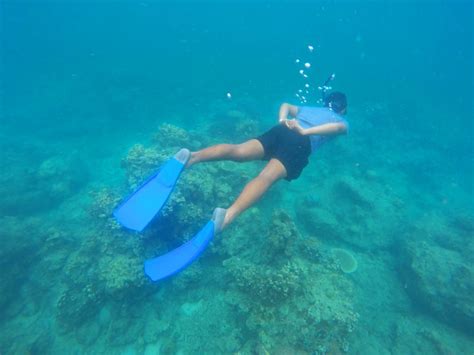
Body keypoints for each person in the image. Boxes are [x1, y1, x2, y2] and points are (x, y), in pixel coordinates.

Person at [186, 91, 349, 233]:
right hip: (300, 143)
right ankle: (227, 216)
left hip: (282, 130)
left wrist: (282, 120)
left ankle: (192, 157)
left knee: (238, 150)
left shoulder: (310, 109)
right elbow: (339, 128)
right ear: (342, 109)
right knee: (266, 177)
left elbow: (286, 104)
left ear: (325, 102)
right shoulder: (340, 119)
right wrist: (306, 131)